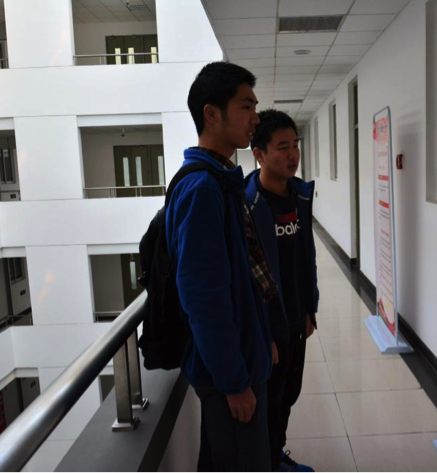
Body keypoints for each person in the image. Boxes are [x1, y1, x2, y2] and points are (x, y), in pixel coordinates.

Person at [167, 62, 277, 472]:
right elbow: (204, 298)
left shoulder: (222, 180)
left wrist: (261, 339)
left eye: (255, 107)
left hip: (242, 360)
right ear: (212, 114)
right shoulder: (203, 189)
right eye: (246, 106)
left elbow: (243, 278)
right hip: (230, 377)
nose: (255, 118)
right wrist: (234, 382)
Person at [245, 109, 320, 473]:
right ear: (259, 154)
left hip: (296, 317)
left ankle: (275, 456)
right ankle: (266, 462)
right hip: (267, 326)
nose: (293, 155)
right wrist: (263, 332)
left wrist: (309, 309)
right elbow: (248, 277)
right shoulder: (249, 204)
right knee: (269, 401)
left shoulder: (298, 196)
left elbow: (306, 258)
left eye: (295, 145)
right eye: (282, 147)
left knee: (288, 394)